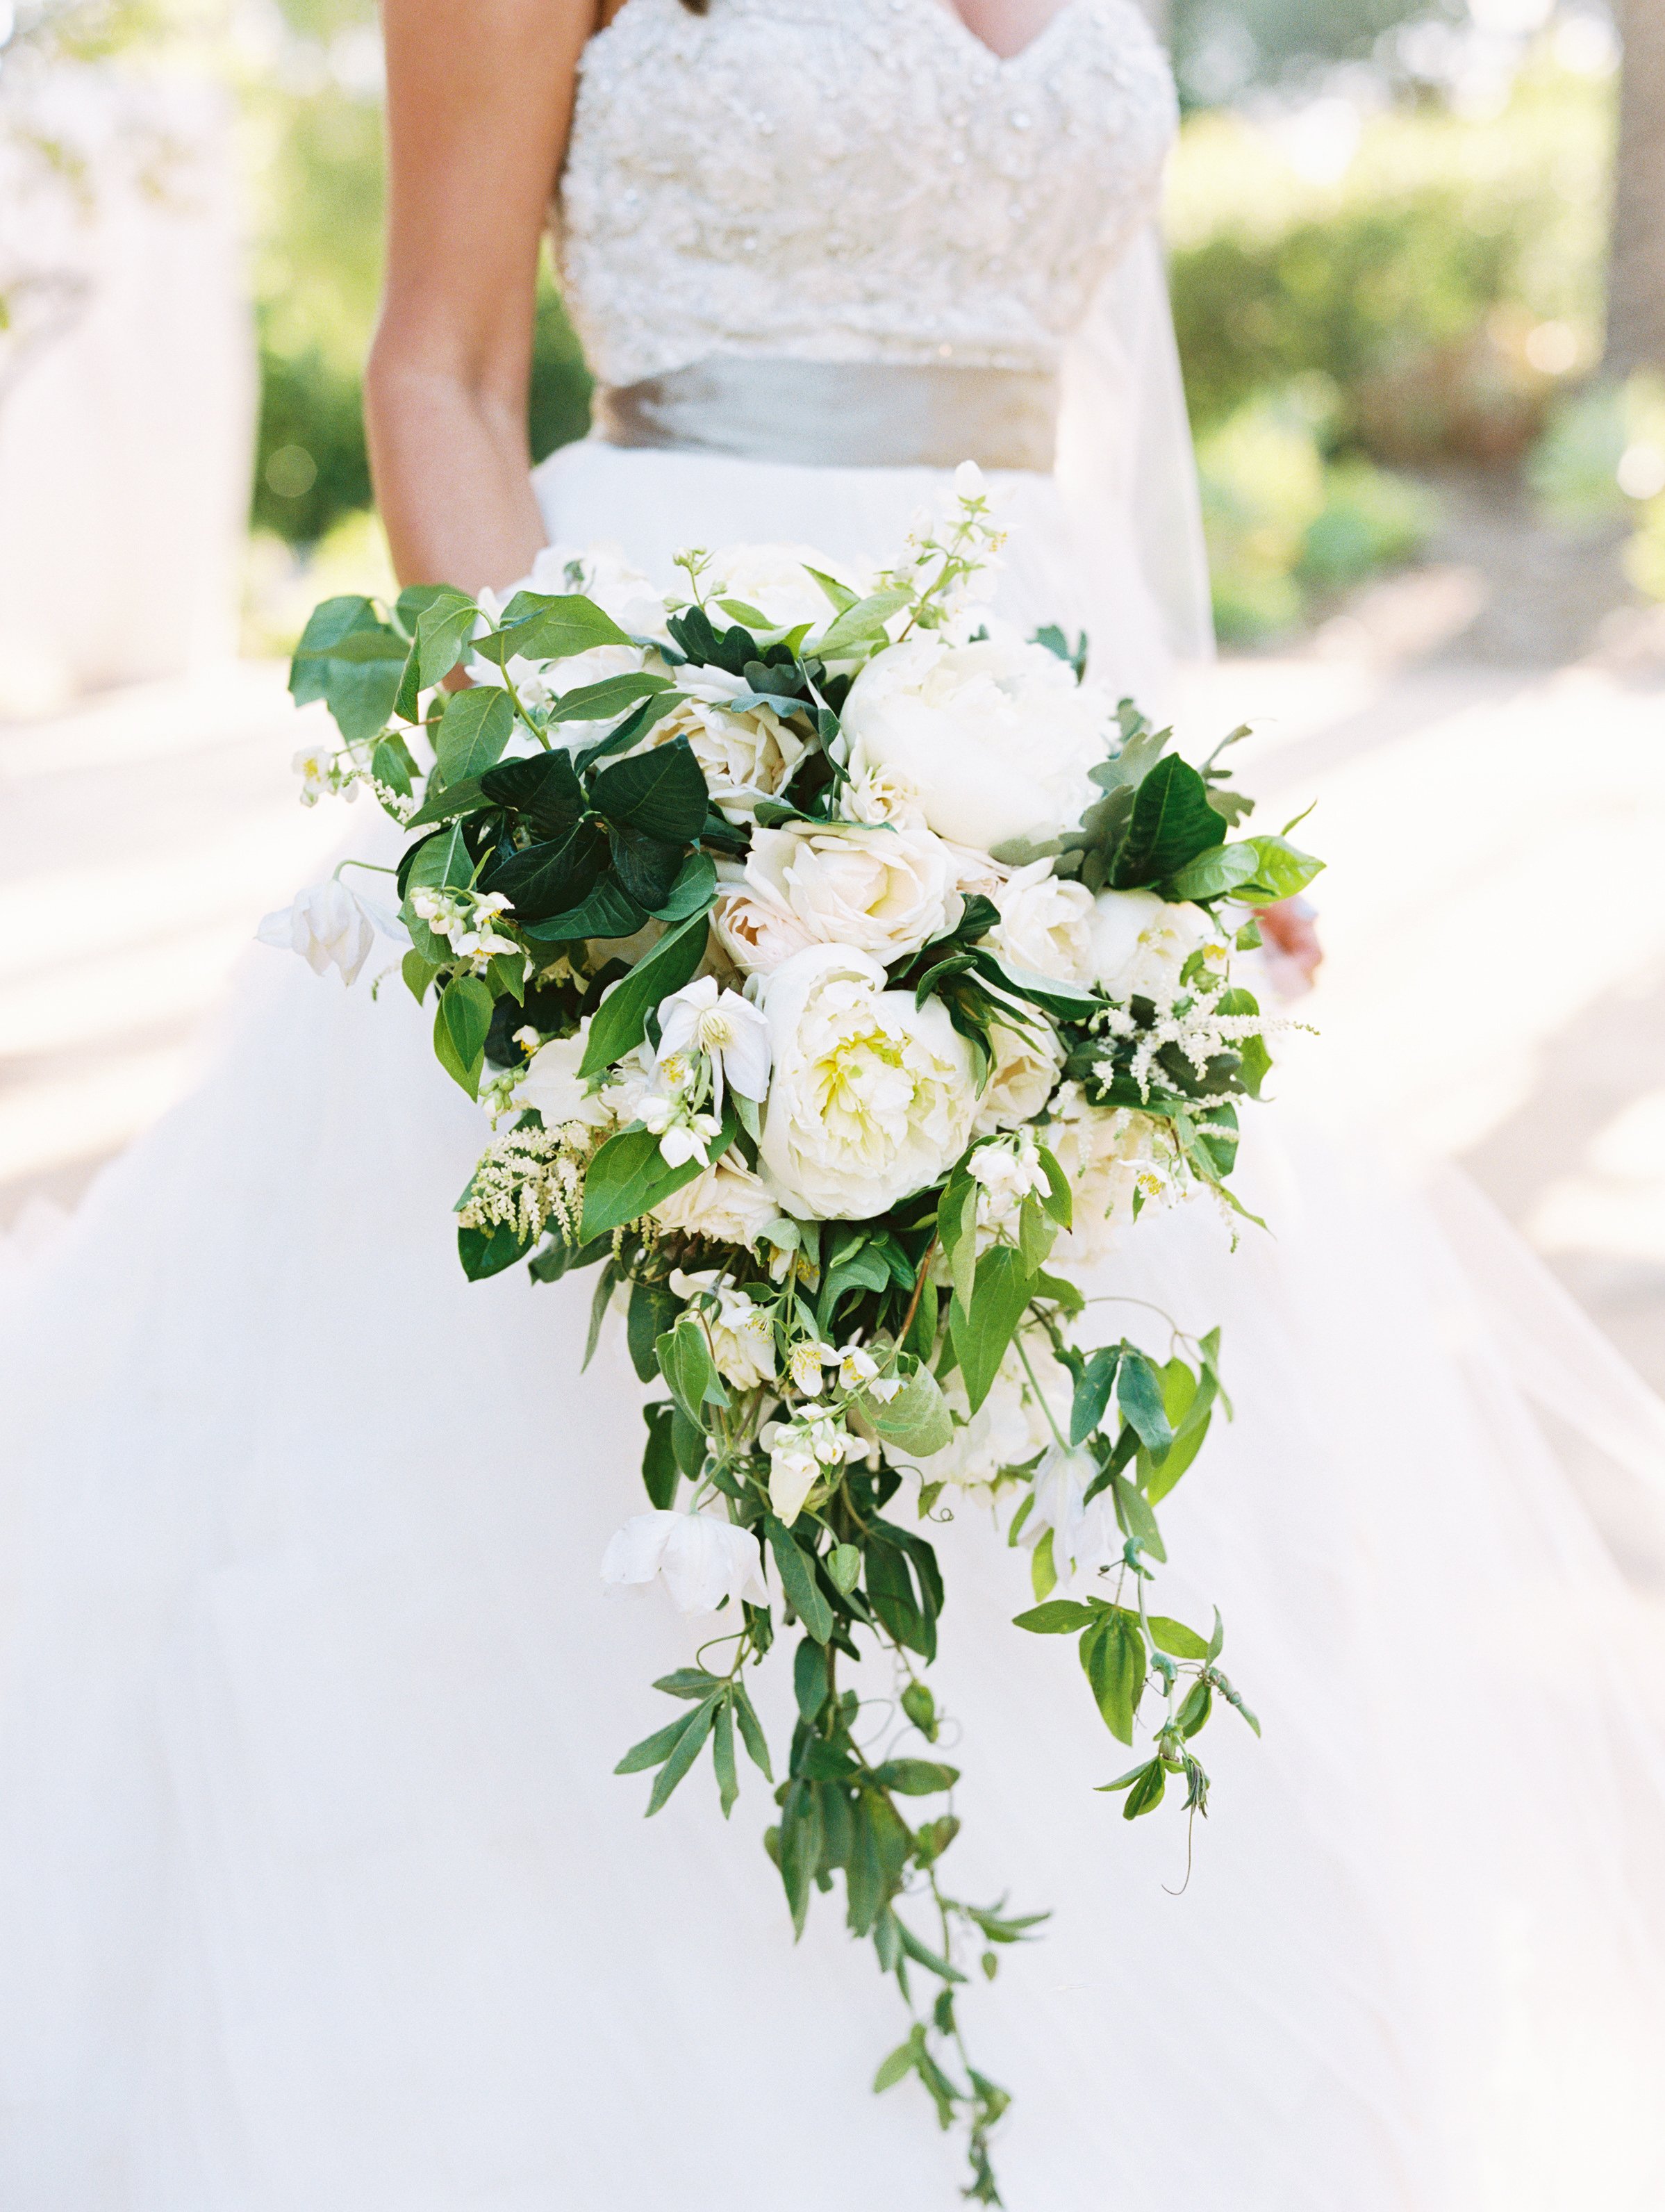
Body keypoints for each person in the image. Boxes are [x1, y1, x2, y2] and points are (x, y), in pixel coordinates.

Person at [3, 3, 1664, 2205]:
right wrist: (591, 864)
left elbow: (1075, 440)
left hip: (1034, 782)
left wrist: (1166, 826)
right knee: (595, 1532)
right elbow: (442, 372)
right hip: (646, 755)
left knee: (1091, 1547)